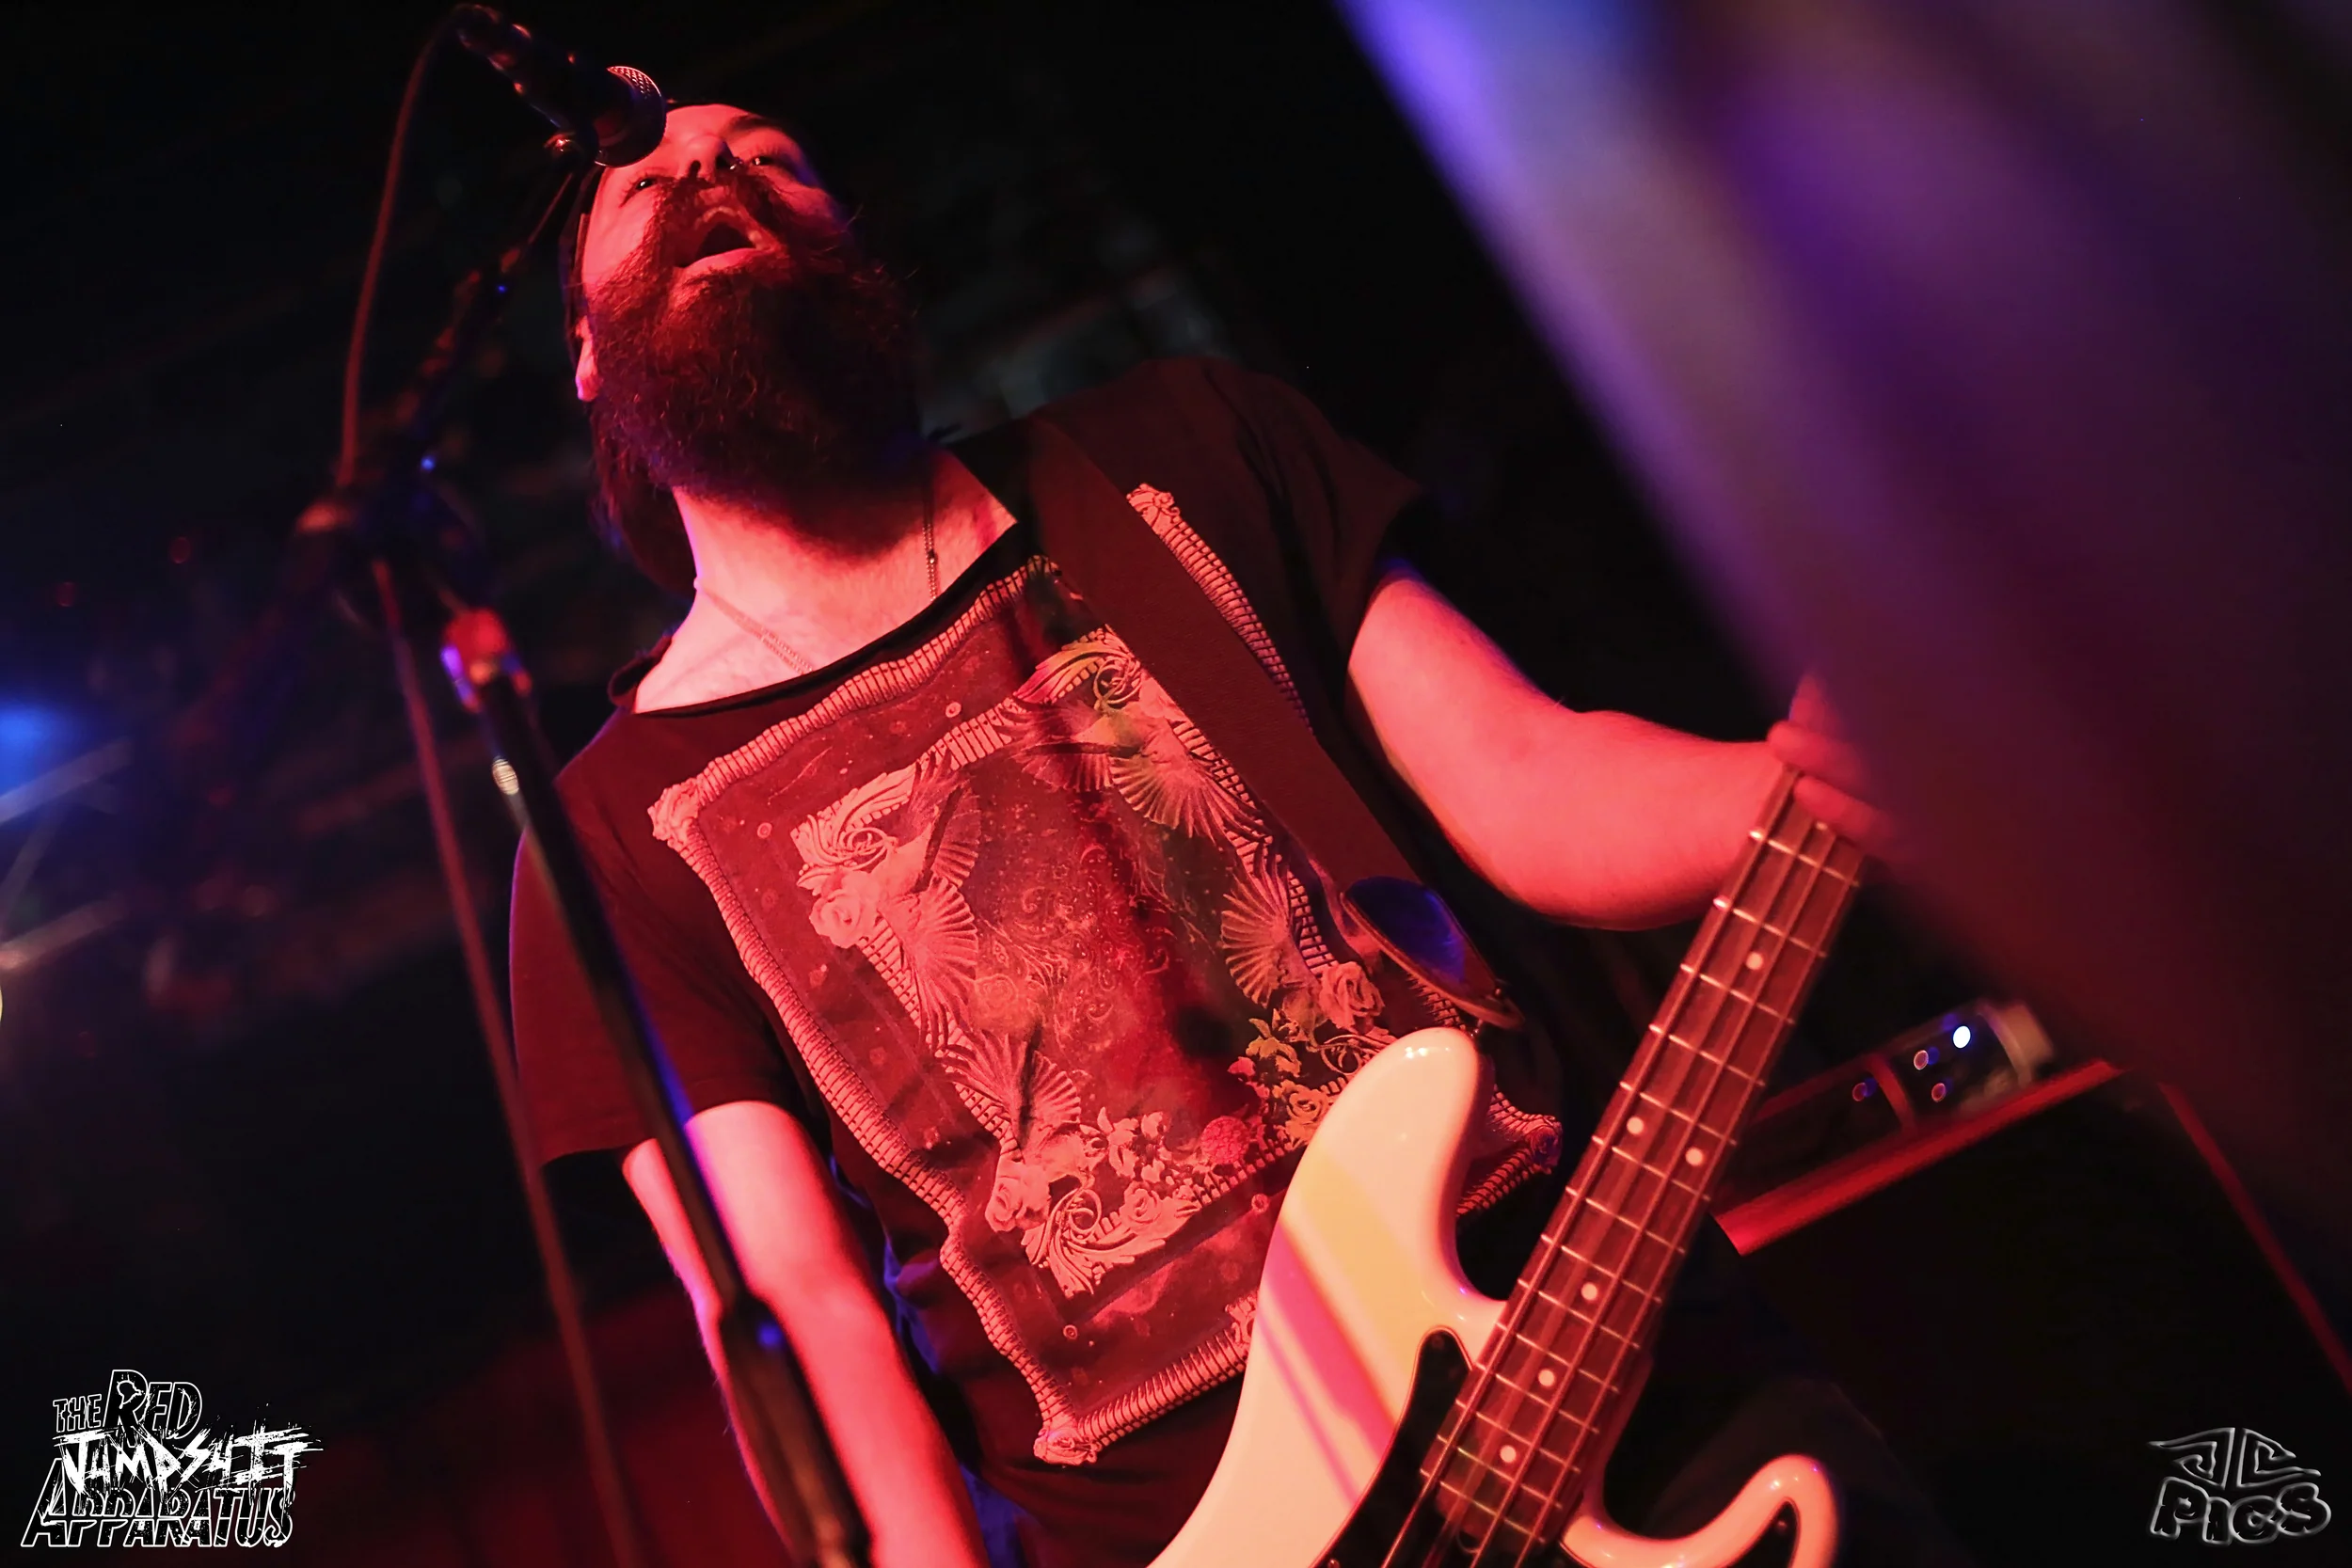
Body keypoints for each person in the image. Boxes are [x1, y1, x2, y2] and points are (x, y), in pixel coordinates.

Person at [510, 102, 1914, 1568]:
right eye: (647, 183)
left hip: (1618, 1371)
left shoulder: (1181, 449)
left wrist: (1810, 785)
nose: (711, 171)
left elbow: (1526, 778)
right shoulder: (608, 836)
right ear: (589, 356)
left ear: (859, 254)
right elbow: (802, 1307)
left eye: (767, 155)